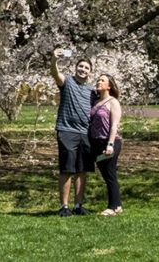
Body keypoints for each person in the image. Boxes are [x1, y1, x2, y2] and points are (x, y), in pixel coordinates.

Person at [50, 47, 94, 216]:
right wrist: (54, 60)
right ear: (76, 68)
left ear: (90, 72)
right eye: (80, 66)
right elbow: (55, 74)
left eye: (86, 68)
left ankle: (79, 205)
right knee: (67, 169)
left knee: (82, 171)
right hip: (67, 131)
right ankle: (64, 206)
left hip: (85, 133)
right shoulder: (67, 82)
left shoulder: (92, 91)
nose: (82, 70)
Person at [89, 73, 123, 216]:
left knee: (110, 174)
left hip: (109, 141)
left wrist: (110, 144)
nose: (98, 82)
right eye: (98, 80)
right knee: (106, 174)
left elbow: (114, 125)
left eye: (102, 80)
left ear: (109, 86)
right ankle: (118, 205)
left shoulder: (112, 102)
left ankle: (113, 207)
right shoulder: (95, 102)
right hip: (96, 142)